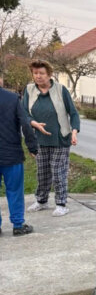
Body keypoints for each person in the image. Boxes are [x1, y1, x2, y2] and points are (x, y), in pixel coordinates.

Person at [23, 59, 80, 217]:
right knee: (42, 172)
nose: (38, 76)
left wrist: (74, 131)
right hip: (39, 139)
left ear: (49, 75)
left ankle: (61, 203)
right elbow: (23, 114)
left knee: (58, 172)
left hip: (60, 139)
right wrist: (34, 123)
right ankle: (41, 201)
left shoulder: (61, 90)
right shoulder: (29, 90)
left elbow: (73, 113)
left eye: (41, 73)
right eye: (35, 73)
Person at [0, 79, 39, 236]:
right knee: (15, 190)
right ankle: (18, 225)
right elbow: (25, 124)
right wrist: (32, 147)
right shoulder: (12, 98)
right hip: (12, 154)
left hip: (10, 153)